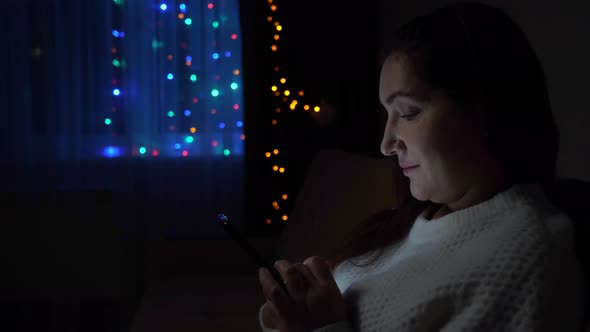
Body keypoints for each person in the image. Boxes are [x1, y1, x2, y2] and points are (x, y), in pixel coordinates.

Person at [257, 2, 587, 331]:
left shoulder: (523, 260)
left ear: (485, 110)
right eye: (388, 114)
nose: (387, 145)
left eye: (409, 113)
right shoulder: (415, 221)